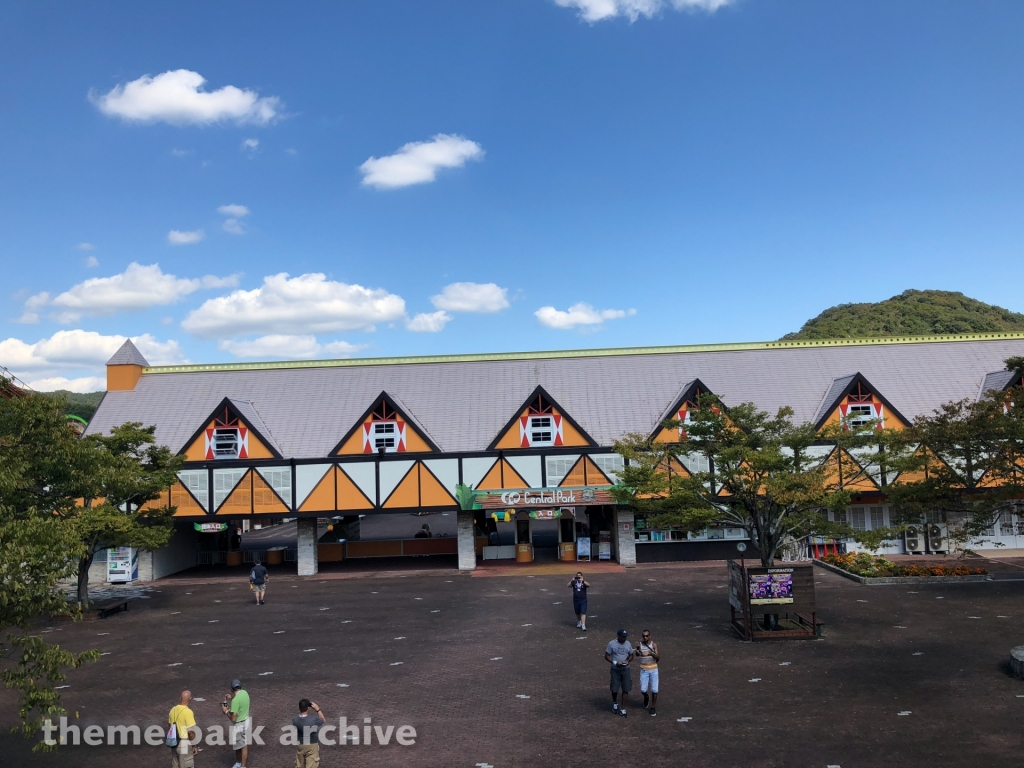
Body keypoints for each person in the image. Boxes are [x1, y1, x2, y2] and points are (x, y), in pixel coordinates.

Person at [604, 629, 634, 717]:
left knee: (626, 688)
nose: (625, 638)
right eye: (623, 637)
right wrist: (614, 662)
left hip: (625, 669)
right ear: (618, 636)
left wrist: (628, 661)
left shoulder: (628, 644)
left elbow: (631, 655)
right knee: (614, 688)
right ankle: (615, 703)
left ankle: (623, 708)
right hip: (615, 669)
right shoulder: (611, 644)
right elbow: (606, 656)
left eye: (625, 637)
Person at [223, 679, 251, 768]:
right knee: (241, 745)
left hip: (239, 725)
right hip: (246, 721)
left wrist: (226, 711)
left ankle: (242, 766)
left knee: (242, 746)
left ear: (231, 688)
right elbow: (239, 701)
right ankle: (239, 764)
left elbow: (233, 718)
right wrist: (232, 698)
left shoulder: (235, 701)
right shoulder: (245, 693)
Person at [168, 690, 198, 768]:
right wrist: (194, 745)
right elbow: (190, 732)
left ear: (180, 698)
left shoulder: (173, 710)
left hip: (174, 742)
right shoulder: (188, 712)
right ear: (190, 699)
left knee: (175, 765)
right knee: (187, 765)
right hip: (184, 744)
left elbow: (169, 725)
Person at [292, 698, 326, 768]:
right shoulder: (313, 719)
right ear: (308, 708)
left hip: (301, 745)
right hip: (312, 745)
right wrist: (318, 709)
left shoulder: (295, 720)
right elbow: (323, 720)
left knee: (300, 765)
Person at [636, 629, 660, 716]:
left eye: (647, 636)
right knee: (643, 689)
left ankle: (653, 707)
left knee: (654, 689)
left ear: (650, 636)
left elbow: (658, 657)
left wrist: (652, 654)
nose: (645, 637)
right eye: (643, 636)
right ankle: (646, 696)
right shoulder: (640, 644)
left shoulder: (653, 645)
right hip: (644, 669)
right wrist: (637, 652)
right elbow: (637, 654)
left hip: (653, 669)